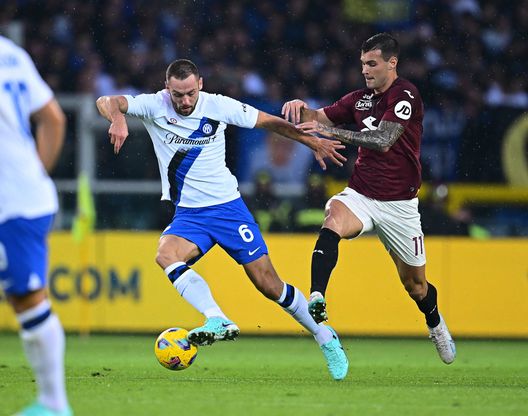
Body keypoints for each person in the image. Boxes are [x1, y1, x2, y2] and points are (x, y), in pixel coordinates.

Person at [95, 59, 349, 380]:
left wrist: (311, 141)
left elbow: (269, 122)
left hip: (228, 209)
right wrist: (118, 118)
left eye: (190, 93)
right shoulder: (154, 105)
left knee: (269, 285)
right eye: (177, 94)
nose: (184, 101)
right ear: (167, 88)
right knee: (166, 254)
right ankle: (217, 318)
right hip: (189, 215)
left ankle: (325, 337)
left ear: (200, 84)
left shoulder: (218, 106)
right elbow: (106, 100)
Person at [282, 33, 456, 365]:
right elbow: (317, 118)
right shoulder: (359, 99)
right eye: (363, 63)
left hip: (400, 204)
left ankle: (435, 323)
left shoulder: (405, 94)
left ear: (392, 63)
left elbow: (383, 140)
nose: (365, 70)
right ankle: (317, 296)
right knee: (333, 217)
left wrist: (331, 132)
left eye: (372, 63)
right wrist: (298, 108)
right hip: (361, 193)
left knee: (416, 286)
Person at [0, 36, 72, 415]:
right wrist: (35, 175)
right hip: (24, 194)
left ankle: (53, 404)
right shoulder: (11, 52)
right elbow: (53, 118)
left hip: (11, 203)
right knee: (26, 300)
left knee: (28, 300)